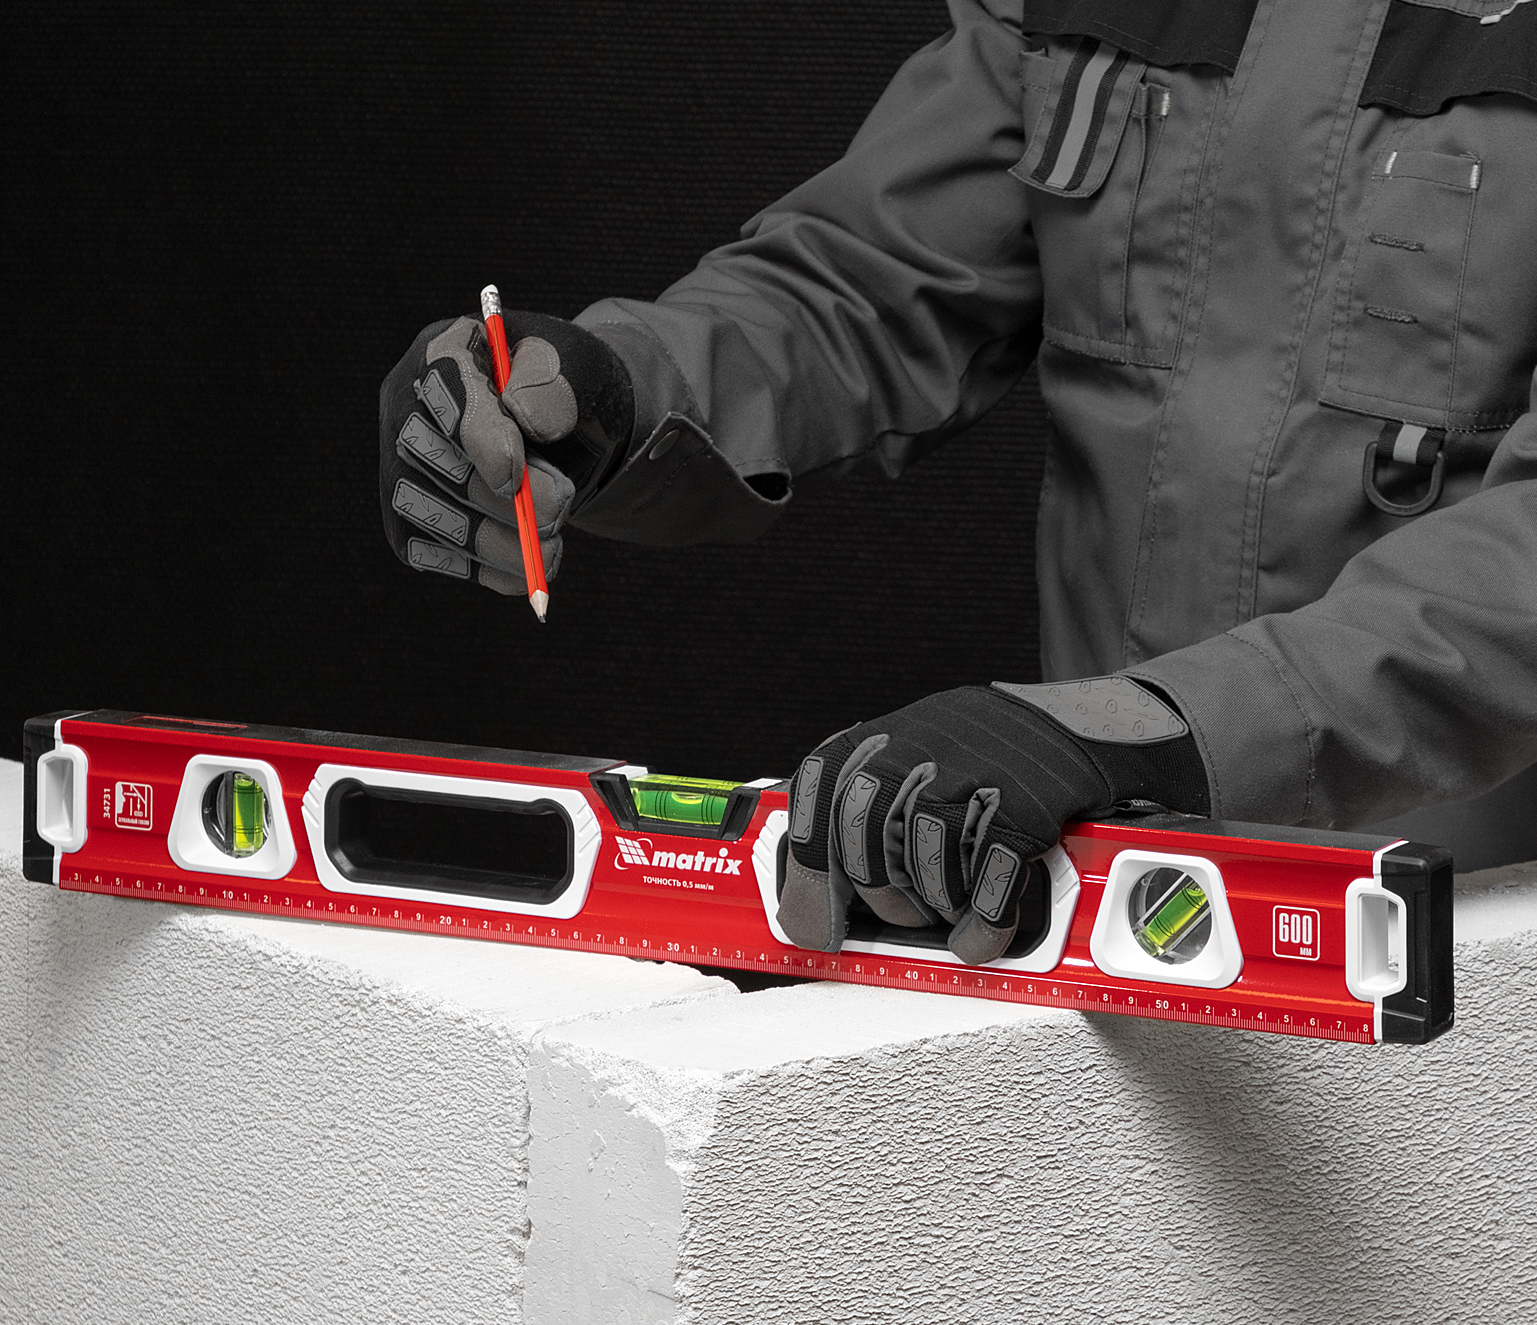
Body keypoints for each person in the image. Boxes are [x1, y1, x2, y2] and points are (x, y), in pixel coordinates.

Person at [380, 0, 1537, 959]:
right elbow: (867, 285)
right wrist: (619, 387)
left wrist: (1158, 728)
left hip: (1475, 954)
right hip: (1109, 908)